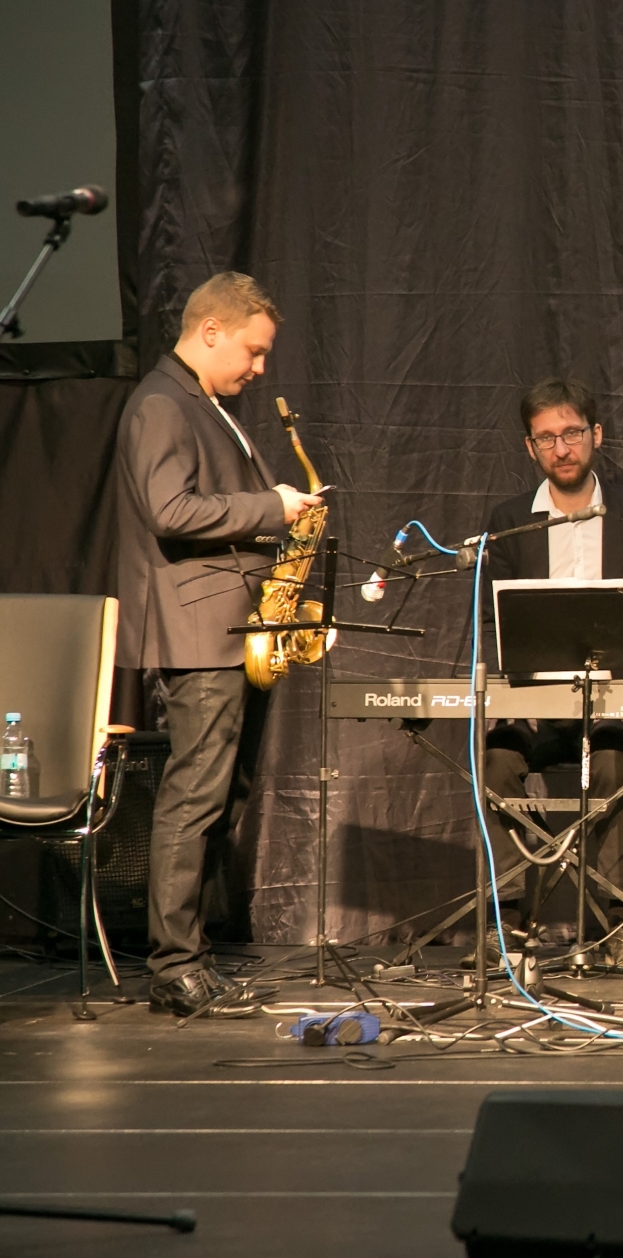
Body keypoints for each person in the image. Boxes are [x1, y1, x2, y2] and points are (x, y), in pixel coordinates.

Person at [115, 272, 323, 1017]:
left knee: (222, 795)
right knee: (194, 797)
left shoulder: (203, 405)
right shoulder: (162, 404)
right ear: (210, 331)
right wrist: (273, 507)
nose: (260, 367)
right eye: (253, 350)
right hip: (199, 632)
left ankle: (194, 955)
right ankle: (174, 967)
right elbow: (171, 510)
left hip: (232, 629)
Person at [476, 378, 623, 966]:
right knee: (496, 763)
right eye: (546, 438)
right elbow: (494, 625)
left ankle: (618, 926)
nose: (561, 448)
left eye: (571, 433)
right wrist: (507, 697)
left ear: (596, 435)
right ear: (530, 447)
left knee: (615, 762)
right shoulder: (510, 520)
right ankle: (514, 916)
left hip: (614, 704)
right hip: (535, 703)